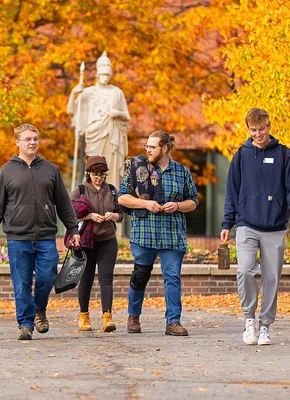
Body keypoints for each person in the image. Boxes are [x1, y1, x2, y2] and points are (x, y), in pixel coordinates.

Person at [0, 123, 81, 340]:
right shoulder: (6, 172)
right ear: (17, 142)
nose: (32, 142)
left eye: (35, 139)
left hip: (46, 236)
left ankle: (39, 309)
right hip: (18, 238)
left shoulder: (50, 170)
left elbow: (64, 204)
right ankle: (25, 324)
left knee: (47, 278)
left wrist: (73, 229)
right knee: (21, 284)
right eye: (28, 139)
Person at [220, 108, 290, 346]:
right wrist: (227, 222)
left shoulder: (284, 154)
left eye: (262, 129)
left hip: (276, 226)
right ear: (248, 129)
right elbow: (231, 192)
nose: (258, 134)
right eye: (253, 130)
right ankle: (249, 320)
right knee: (245, 270)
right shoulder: (241, 155)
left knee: (271, 278)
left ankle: (265, 326)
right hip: (246, 223)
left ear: (269, 125)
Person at [118, 130, 198, 336]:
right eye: (147, 146)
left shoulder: (181, 172)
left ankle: (173, 321)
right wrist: (146, 203)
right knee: (140, 276)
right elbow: (122, 198)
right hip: (144, 233)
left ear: (164, 148)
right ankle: (133, 316)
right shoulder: (137, 169)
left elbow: (193, 202)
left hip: (172, 234)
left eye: (152, 147)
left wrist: (178, 206)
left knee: (172, 277)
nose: (148, 150)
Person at [69, 155, 124, 332]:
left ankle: (107, 316)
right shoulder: (80, 190)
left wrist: (112, 216)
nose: (98, 177)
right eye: (95, 174)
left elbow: (120, 214)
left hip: (107, 240)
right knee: (86, 280)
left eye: (102, 174)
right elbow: (68, 213)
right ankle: (83, 316)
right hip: (87, 241)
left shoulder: (112, 190)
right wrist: (89, 216)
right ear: (88, 173)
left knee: (106, 279)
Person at [67, 51, 130, 187]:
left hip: (112, 136)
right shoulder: (88, 92)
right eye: (103, 74)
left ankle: (112, 195)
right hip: (94, 135)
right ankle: (91, 195)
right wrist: (74, 93)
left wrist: (116, 113)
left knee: (111, 169)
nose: (105, 78)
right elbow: (71, 110)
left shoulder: (117, 92)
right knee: (93, 166)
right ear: (97, 74)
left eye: (108, 75)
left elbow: (126, 116)